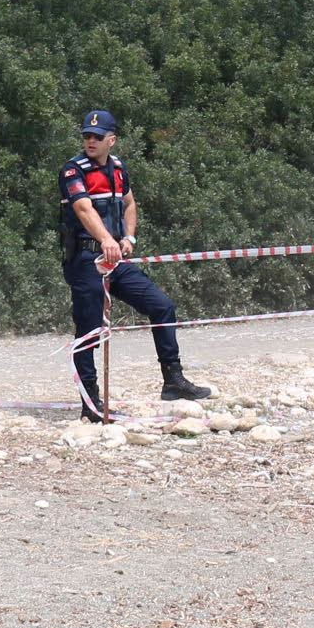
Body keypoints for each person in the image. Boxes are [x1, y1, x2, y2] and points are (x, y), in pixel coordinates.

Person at [59, 108, 209, 419]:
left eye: (97, 137)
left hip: (114, 257)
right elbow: (84, 211)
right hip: (87, 258)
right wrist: (106, 240)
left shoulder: (117, 168)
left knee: (162, 306)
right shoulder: (74, 171)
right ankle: (90, 403)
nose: (90, 140)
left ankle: (173, 380)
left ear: (111, 140)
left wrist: (129, 238)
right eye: (87, 135)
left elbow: (129, 203)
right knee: (89, 331)